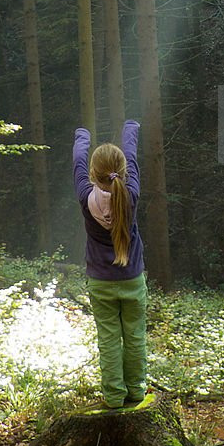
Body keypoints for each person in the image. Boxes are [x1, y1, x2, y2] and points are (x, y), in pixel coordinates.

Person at [73, 122, 147, 409]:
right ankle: (136, 393)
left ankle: (114, 397)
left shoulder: (84, 196)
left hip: (100, 282)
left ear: (92, 175)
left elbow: (78, 160)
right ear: (124, 172)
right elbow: (132, 154)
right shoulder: (132, 193)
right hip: (131, 278)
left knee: (108, 339)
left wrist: (83, 135)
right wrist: (130, 127)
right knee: (134, 336)